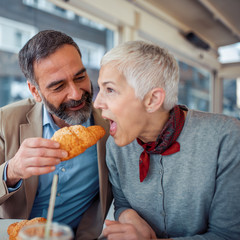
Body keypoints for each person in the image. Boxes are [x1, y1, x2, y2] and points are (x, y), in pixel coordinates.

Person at [0, 30, 113, 239]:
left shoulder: (110, 127)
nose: (76, 93)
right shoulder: (8, 120)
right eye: (58, 86)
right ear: (35, 92)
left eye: (80, 77)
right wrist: (12, 170)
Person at [94, 40, 240, 239]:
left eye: (109, 89)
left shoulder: (227, 138)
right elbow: (123, 203)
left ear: (152, 100)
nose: (97, 102)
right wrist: (128, 215)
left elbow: (228, 235)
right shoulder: (115, 147)